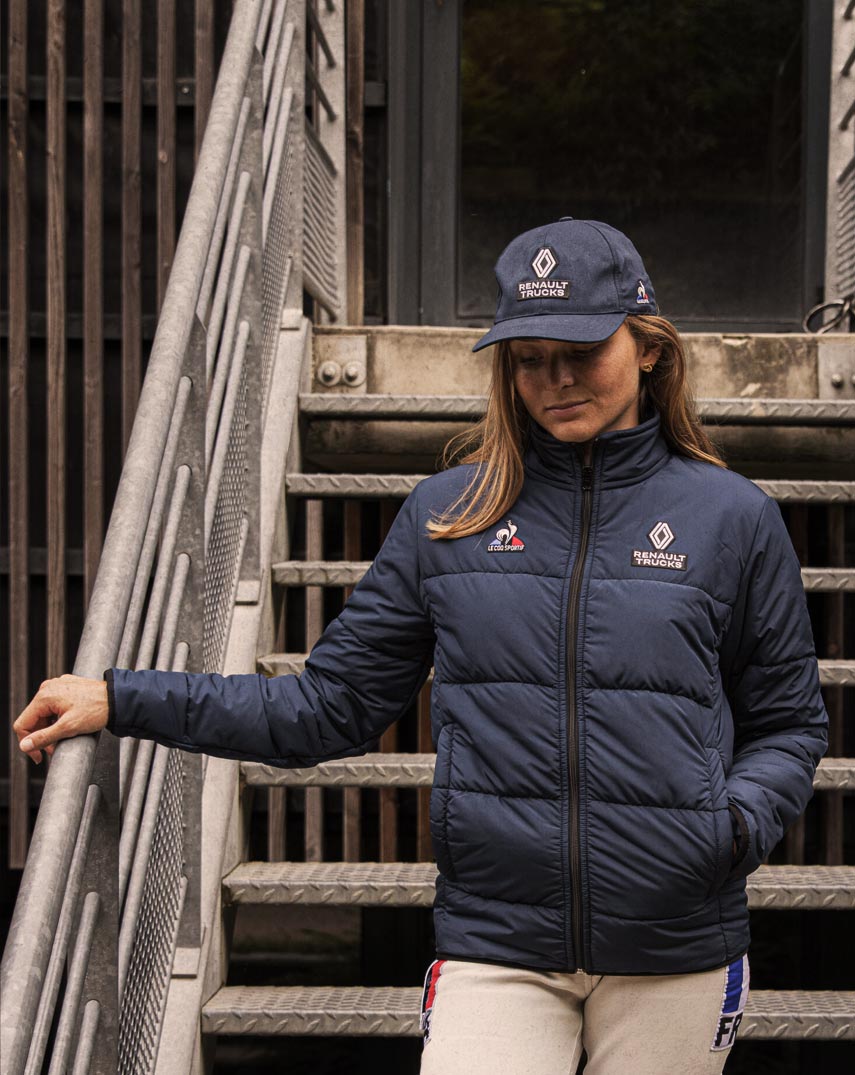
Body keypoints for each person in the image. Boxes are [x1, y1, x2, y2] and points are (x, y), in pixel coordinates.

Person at [15, 217, 829, 1074]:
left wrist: (728, 830)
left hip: (676, 943)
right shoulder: (450, 517)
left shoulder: (732, 519)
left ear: (649, 348)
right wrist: (120, 697)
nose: (552, 379)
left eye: (580, 351)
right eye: (526, 357)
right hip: (499, 942)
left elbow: (787, 725)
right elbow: (325, 708)